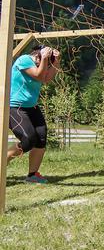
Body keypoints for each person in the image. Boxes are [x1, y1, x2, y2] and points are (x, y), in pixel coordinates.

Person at [6, 45, 60, 183]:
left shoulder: (42, 62)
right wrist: (45, 58)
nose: (43, 64)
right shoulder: (24, 60)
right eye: (41, 61)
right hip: (15, 107)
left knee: (41, 139)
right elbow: (38, 75)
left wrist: (56, 61)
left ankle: (32, 175)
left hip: (32, 107)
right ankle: (3, 160)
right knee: (28, 140)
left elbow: (46, 79)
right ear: (37, 55)